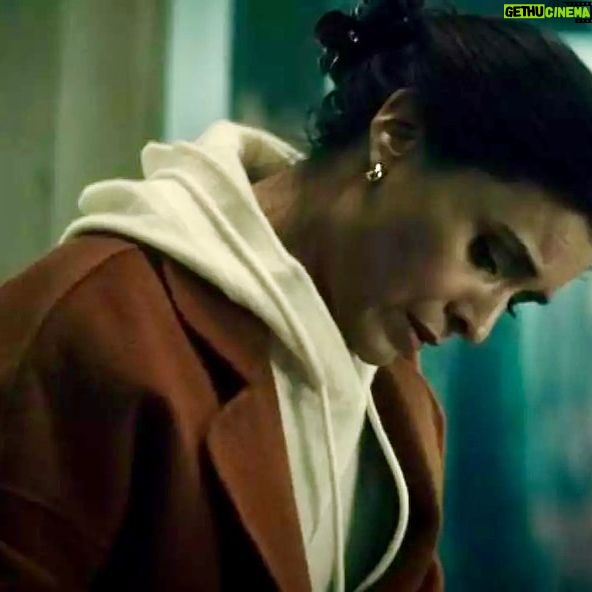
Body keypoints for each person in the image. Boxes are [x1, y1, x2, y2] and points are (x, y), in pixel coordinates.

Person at [1, 0, 592, 590]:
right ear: (398, 136)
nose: (479, 326)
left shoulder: (404, 410)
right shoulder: (88, 323)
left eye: (516, 302)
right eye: (487, 255)